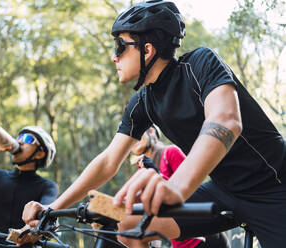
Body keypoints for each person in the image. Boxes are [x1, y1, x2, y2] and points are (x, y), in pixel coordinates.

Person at [19, 1, 286, 248]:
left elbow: (226, 121)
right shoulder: (142, 102)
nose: (115, 57)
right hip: (223, 190)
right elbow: (108, 161)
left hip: (274, 186)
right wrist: (52, 207)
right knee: (129, 224)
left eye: (120, 47)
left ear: (147, 49)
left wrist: (175, 188)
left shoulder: (200, 64)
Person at [132, 126, 230, 248]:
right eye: (130, 139)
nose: (133, 140)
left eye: (136, 134)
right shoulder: (140, 171)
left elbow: (194, 189)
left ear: (151, 131)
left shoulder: (170, 152)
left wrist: (156, 173)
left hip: (201, 238)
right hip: (179, 241)